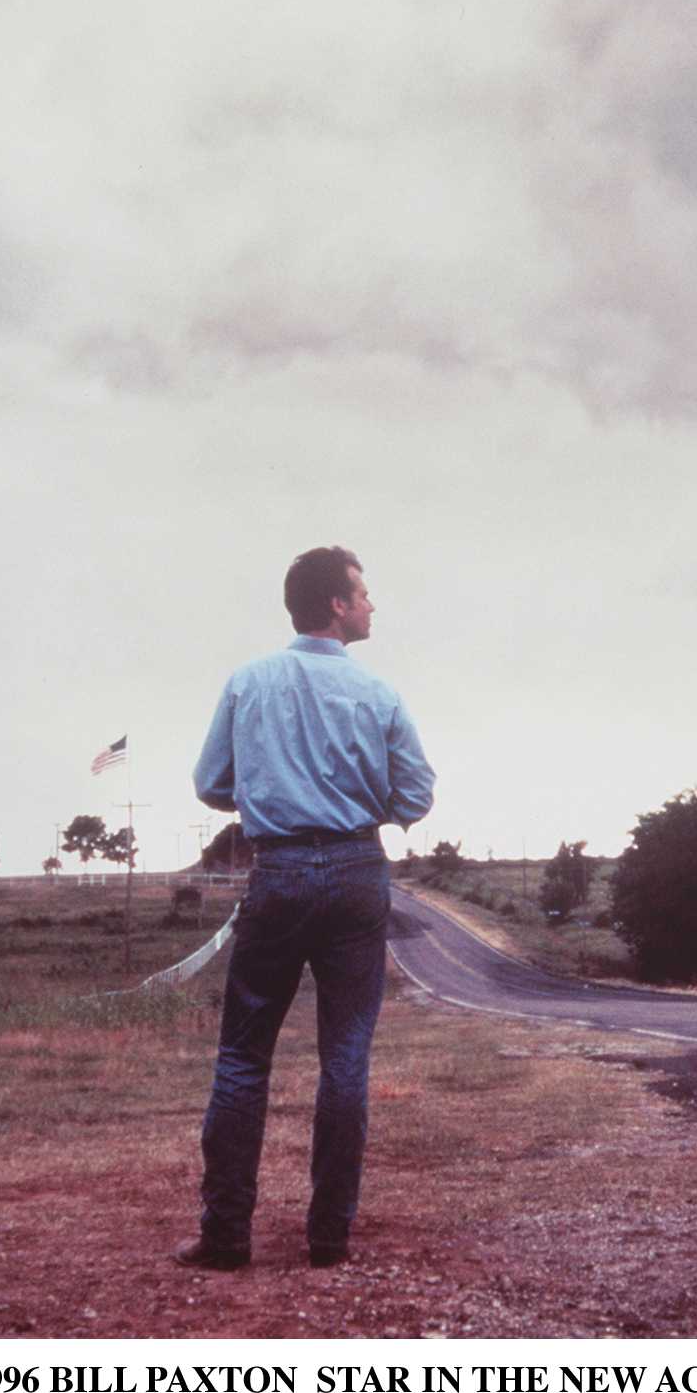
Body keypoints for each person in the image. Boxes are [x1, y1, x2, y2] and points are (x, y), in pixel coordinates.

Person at [176, 545, 436, 1271]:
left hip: (279, 869)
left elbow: (210, 782)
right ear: (335, 605)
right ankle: (329, 1238)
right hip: (357, 870)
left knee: (241, 1056)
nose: (371, 604)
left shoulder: (248, 681)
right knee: (344, 1059)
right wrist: (355, 801)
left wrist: (274, 790)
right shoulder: (378, 695)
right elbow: (414, 796)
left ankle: (225, 1236)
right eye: (363, 593)